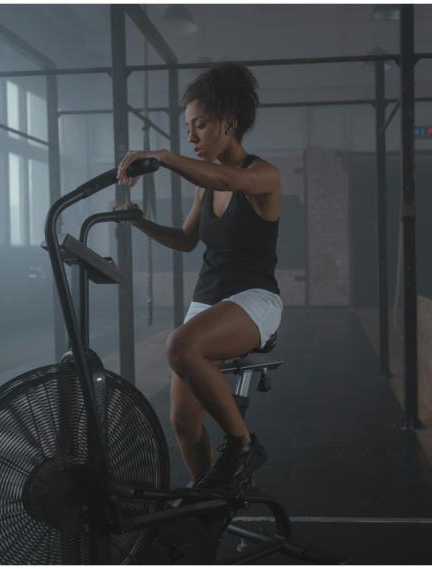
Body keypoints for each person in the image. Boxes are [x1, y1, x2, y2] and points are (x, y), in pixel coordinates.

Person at [115, 62, 282, 491]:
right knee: (184, 424)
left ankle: (243, 445)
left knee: (180, 345)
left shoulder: (264, 176)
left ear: (229, 123)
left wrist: (166, 157)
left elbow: (230, 176)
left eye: (200, 126)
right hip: (209, 299)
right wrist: (139, 221)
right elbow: (187, 240)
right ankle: (210, 511)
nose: (191, 137)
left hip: (254, 300)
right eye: (187, 128)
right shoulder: (203, 184)